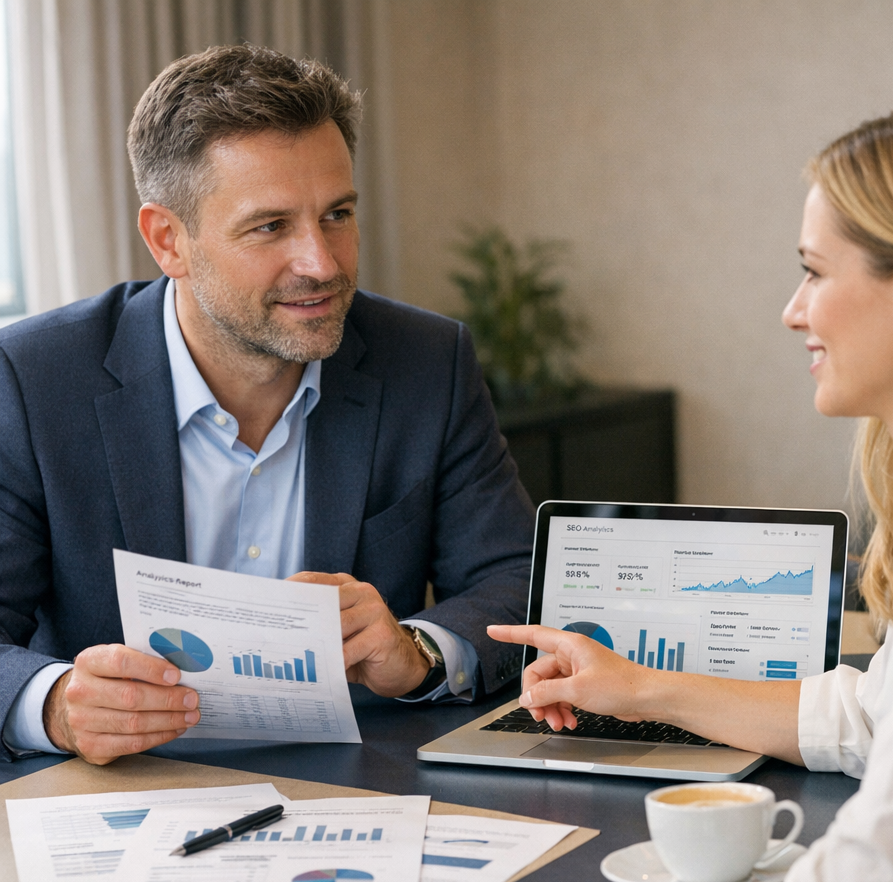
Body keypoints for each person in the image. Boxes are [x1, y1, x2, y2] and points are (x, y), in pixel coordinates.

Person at [490, 99, 893, 882]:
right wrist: (640, 686)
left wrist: (745, 864)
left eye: (813, 273)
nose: (792, 311)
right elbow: (873, 710)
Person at [0, 44, 534, 766]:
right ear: (168, 240)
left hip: (360, 784)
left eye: (337, 214)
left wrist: (418, 651)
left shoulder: (426, 362)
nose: (323, 263)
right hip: (119, 794)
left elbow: (513, 581)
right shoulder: (34, 380)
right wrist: (58, 706)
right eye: (270, 227)